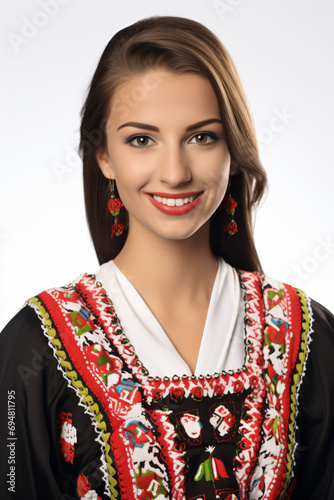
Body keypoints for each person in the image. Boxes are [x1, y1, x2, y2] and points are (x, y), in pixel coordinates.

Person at [0, 15, 333, 500]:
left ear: (233, 152)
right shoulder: (34, 347)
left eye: (203, 137)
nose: (175, 172)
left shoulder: (308, 334)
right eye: (141, 140)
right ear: (104, 156)